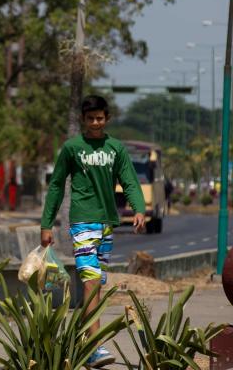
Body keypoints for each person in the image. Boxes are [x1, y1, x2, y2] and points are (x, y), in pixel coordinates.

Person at [40, 94, 145, 369]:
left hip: (107, 223)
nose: (95, 123)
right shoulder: (72, 148)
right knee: (90, 280)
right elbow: (56, 185)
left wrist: (139, 209)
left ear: (107, 118)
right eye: (90, 119)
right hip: (83, 222)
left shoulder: (116, 148)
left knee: (97, 283)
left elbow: (130, 181)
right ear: (83, 120)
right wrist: (46, 223)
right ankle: (95, 345)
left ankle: (87, 341)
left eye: (100, 118)